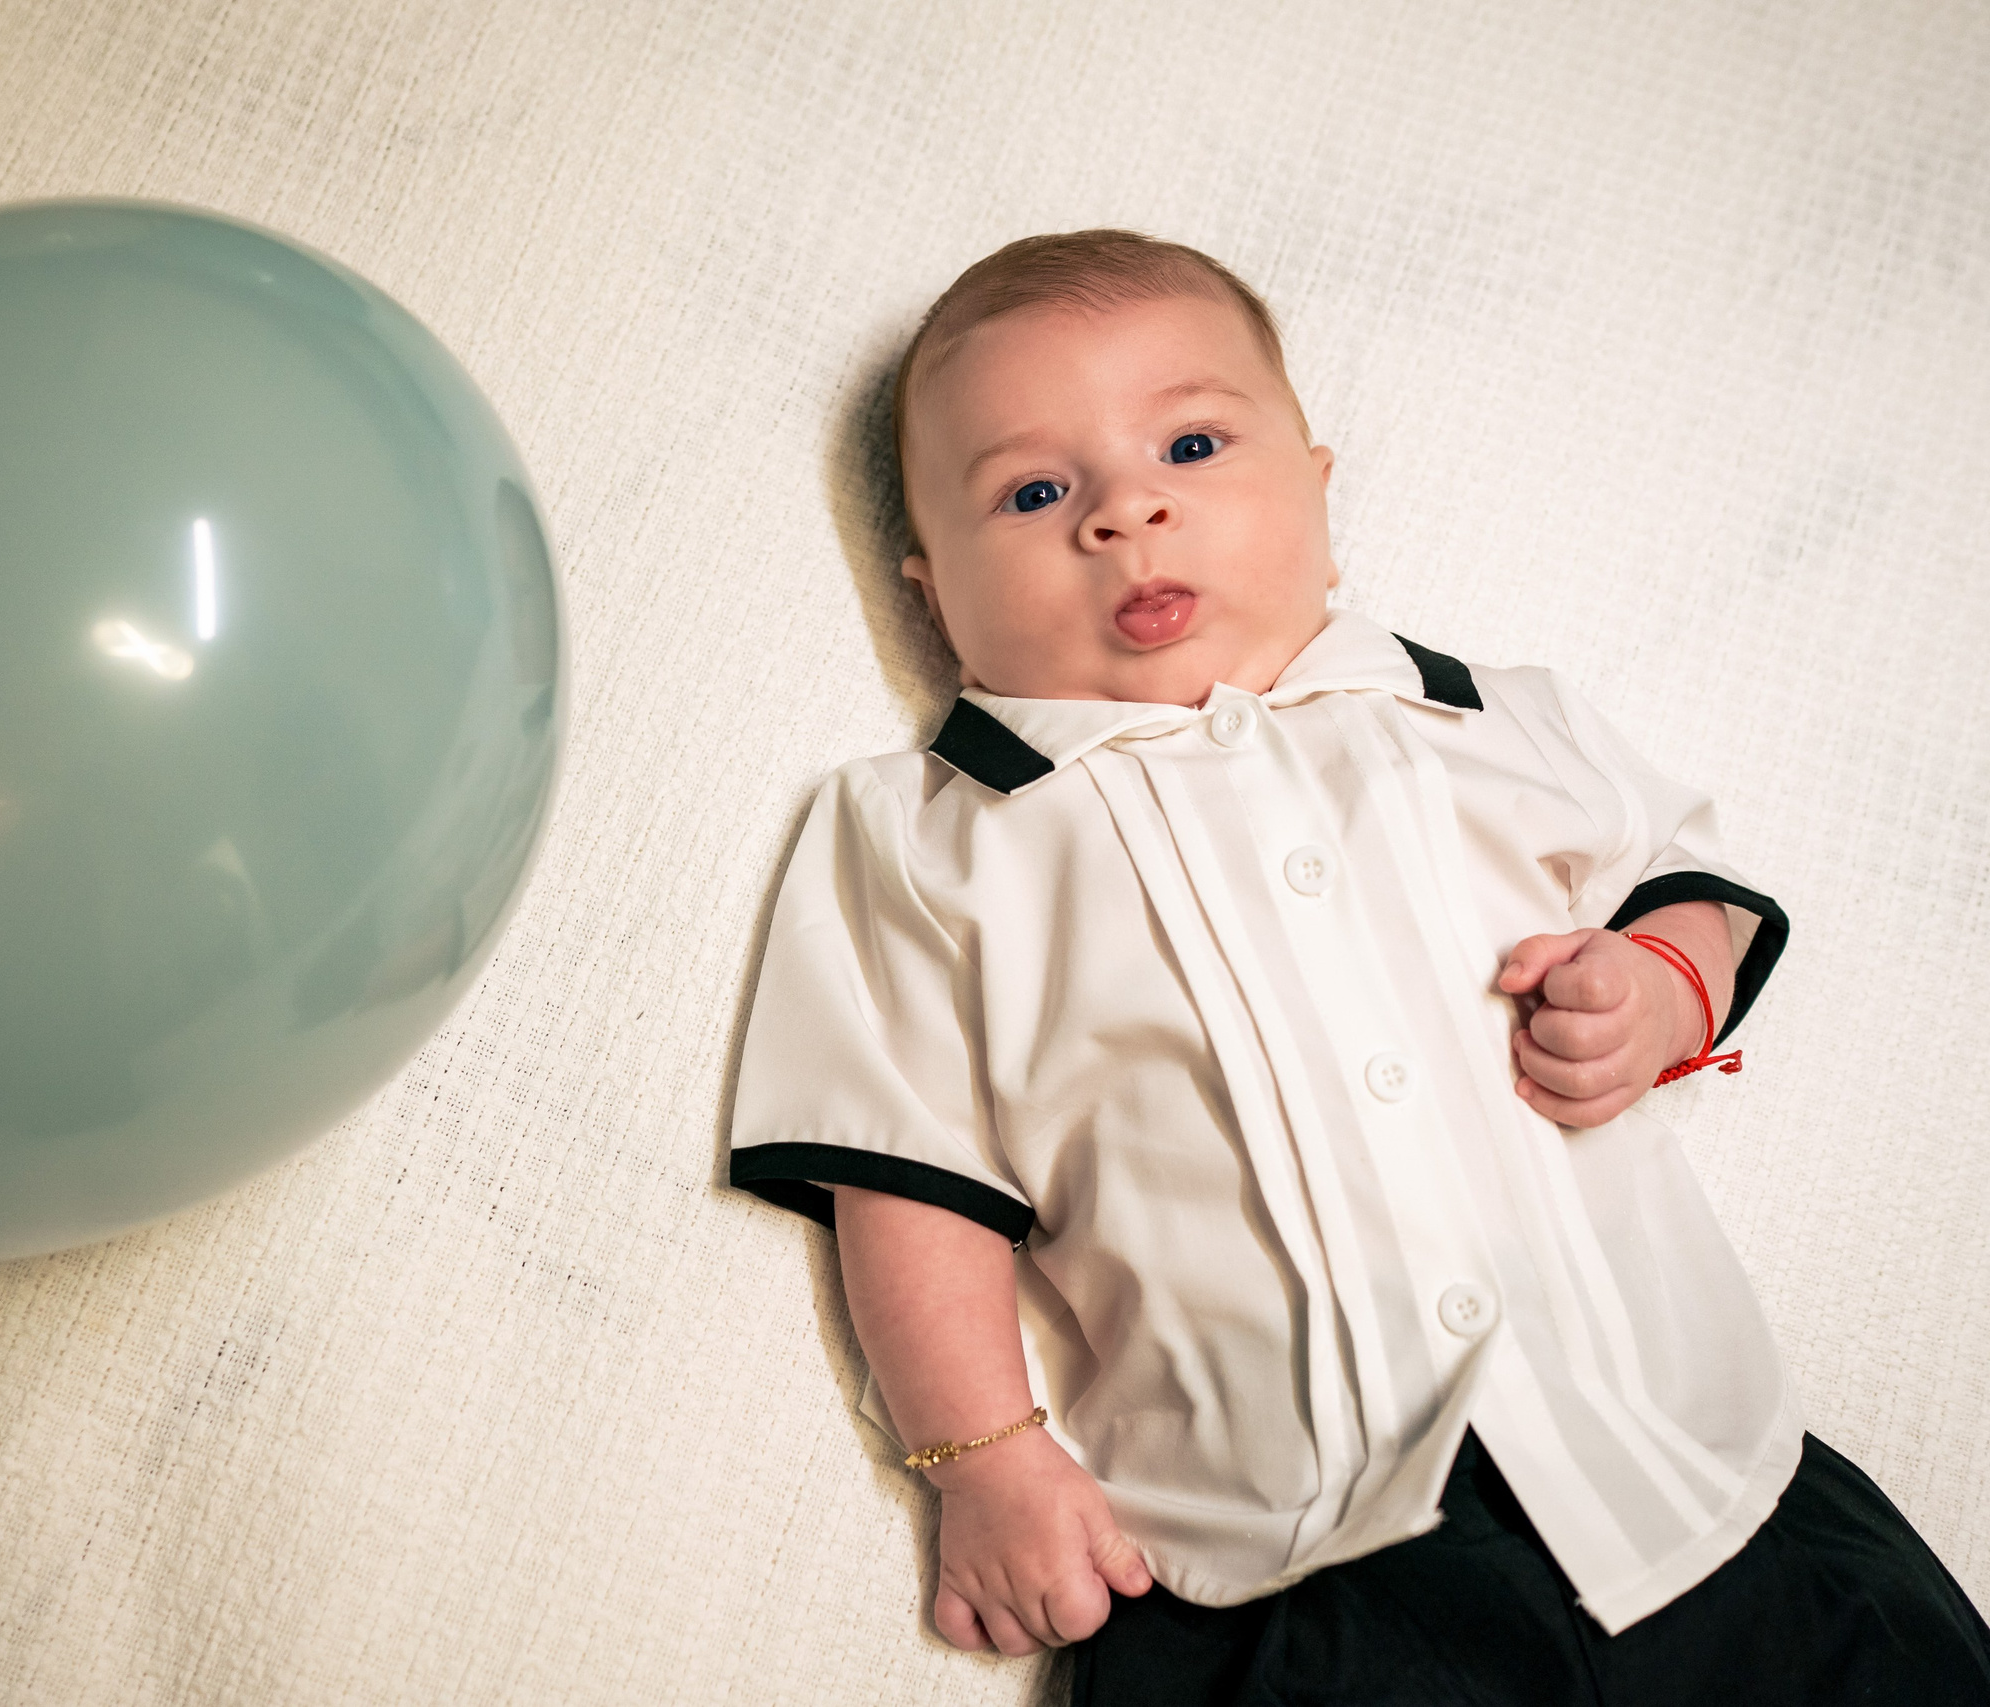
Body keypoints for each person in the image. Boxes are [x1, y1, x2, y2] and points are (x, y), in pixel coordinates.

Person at [727, 230, 1990, 1704]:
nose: (1126, 512)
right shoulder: (929, 837)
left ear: (1321, 495)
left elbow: (1687, 883)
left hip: (1683, 1477)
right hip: (1274, 1562)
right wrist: (984, 1459)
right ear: (935, 596)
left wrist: (1659, 991)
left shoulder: (1486, 722)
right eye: (1034, 493)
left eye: (1190, 446)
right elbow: (906, 1174)